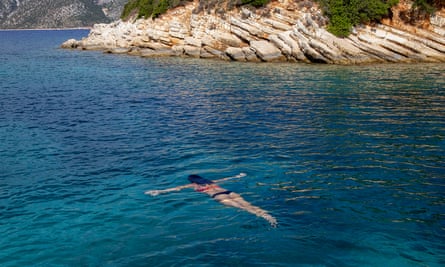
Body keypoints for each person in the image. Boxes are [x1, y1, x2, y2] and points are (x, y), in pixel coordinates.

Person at [145, 173, 277, 227]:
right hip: (229, 192)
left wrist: (158, 191)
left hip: (219, 196)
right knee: (248, 205)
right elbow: (228, 178)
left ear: (192, 181)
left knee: (243, 208)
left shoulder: (192, 185)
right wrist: (239, 175)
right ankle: (267, 215)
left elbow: (175, 189)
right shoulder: (211, 181)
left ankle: (266, 218)